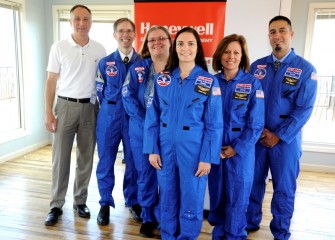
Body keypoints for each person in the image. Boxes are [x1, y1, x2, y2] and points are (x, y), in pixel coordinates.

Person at [143, 27, 223, 239]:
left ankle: (187, 236)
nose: (185, 48)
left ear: (197, 48)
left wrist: (207, 157)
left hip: (194, 150)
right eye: (180, 44)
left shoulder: (208, 81)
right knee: (167, 196)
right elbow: (152, 116)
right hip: (165, 147)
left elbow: (214, 125)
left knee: (192, 197)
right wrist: (152, 149)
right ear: (174, 47)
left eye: (190, 44)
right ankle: (168, 235)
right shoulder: (163, 79)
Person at [246, 16, 318, 240]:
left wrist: (279, 135)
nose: (277, 36)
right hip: (258, 139)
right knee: (253, 183)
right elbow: (247, 103)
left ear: (291, 34)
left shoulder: (306, 70)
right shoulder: (256, 67)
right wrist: (257, 131)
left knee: (284, 188)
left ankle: (280, 230)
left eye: (282, 31)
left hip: (286, 141)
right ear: (268, 36)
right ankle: (250, 222)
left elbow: (304, 109)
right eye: (272, 32)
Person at [44, 5, 106, 226]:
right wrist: (48, 113)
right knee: (60, 158)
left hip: (91, 108)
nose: (82, 23)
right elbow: (51, 80)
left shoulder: (100, 49)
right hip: (65, 106)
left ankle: (80, 201)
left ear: (91, 22)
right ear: (70, 21)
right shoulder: (59, 47)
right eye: (77, 19)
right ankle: (56, 204)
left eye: (86, 19)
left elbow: (104, 83)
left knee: (85, 157)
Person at [207, 34, 265, 240]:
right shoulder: (210, 82)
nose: (231, 56)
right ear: (220, 54)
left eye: (236, 52)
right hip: (214, 150)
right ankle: (219, 235)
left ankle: (235, 235)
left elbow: (256, 124)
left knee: (238, 198)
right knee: (218, 195)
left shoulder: (252, 84)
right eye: (227, 51)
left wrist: (236, 148)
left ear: (242, 57)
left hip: (241, 152)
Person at [122, 26, 172, 237]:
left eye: (162, 38)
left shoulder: (179, 69)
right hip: (141, 132)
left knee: (168, 176)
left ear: (170, 42)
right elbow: (127, 95)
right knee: (145, 175)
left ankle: (166, 216)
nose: (157, 42)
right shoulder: (138, 68)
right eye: (152, 39)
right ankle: (148, 217)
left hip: (169, 134)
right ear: (146, 44)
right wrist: (147, 122)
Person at [95, 18, 141, 226]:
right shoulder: (105, 63)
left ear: (134, 34)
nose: (125, 35)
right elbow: (99, 92)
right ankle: (105, 203)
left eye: (129, 31)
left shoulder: (143, 63)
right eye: (121, 31)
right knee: (106, 160)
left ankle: (133, 201)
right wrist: (112, 108)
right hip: (110, 116)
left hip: (134, 118)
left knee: (134, 161)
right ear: (114, 35)